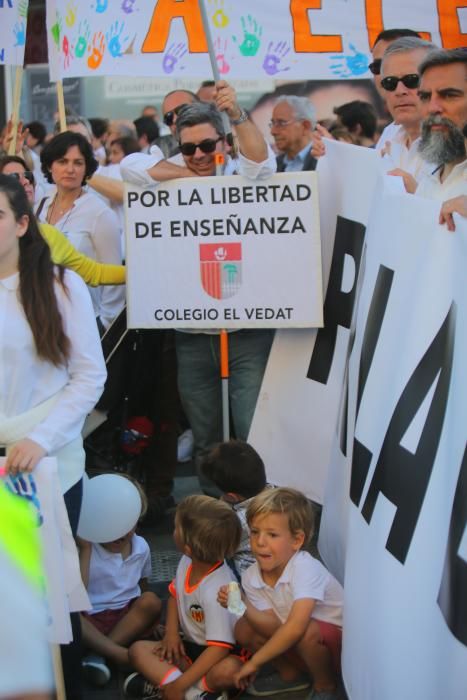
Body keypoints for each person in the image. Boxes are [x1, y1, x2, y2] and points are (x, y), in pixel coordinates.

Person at [121, 81, 276, 495]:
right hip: (192, 337)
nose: (200, 156)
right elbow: (129, 168)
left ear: (223, 140)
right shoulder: (175, 168)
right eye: (189, 148)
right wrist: (187, 176)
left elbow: (261, 164)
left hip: (247, 333)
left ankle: (261, 520)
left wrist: (239, 115)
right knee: (207, 440)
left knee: (252, 432)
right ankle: (215, 525)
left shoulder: (238, 170)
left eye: (207, 146)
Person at [0, 173, 106, 700]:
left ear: (22, 224)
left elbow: (90, 376)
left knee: (49, 607)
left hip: (45, 464)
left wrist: (40, 439)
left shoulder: (61, 285)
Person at [218, 488, 343, 700]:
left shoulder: (305, 568)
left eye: (272, 534)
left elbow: (295, 628)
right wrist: (239, 604)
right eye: (255, 531)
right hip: (299, 643)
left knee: (306, 631)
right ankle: (291, 675)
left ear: (297, 541)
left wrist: (253, 663)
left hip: (338, 650)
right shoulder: (250, 576)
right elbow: (272, 625)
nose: (260, 542)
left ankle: (326, 685)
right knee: (243, 629)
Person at [124, 495, 244, 700]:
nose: (173, 531)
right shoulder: (187, 562)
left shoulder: (220, 588)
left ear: (188, 547)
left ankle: (174, 687)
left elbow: (220, 648)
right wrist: (171, 634)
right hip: (189, 648)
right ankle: (193, 693)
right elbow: (173, 596)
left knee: (230, 671)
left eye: (176, 528)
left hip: (221, 655)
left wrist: (180, 682)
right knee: (137, 650)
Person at [40, 131, 125, 331]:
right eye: (62, 161)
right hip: (43, 318)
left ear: (87, 168)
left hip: (85, 322)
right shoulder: (40, 205)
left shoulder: (100, 214)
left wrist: (104, 323)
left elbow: (113, 278)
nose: (70, 169)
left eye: (78, 163)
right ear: (50, 166)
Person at [78, 484, 162, 687]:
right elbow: (77, 594)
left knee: (151, 601)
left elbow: (143, 585)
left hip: (126, 618)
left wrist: (152, 620)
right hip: (90, 617)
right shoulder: (86, 548)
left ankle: (100, 654)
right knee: (70, 617)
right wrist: (86, 550)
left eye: (127, 524)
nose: (120, 532)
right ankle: (123, 656)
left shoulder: (141, 547)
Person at [0, 155, 125, 285]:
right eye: (13, 178)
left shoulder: (48, 236)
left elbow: (94, 272)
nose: (25, 181)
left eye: (28, 176)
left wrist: (138, 271)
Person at [200, 440, 270, 577]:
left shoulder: (237, 521)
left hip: (249, 578)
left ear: (232, 497)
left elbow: (217, 549)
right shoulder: (275, 494)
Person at [378, 37, 437, 181]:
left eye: (412, 80)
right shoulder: (390, 133)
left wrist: (413, 195)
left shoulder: (458, 142)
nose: (399, 91)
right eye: (390, 83)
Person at [270, 96, 317, 172]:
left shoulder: (323, 162)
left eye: (281, 123)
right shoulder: (273, 167)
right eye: (273, 123)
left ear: (305, 126)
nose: (273, 132)